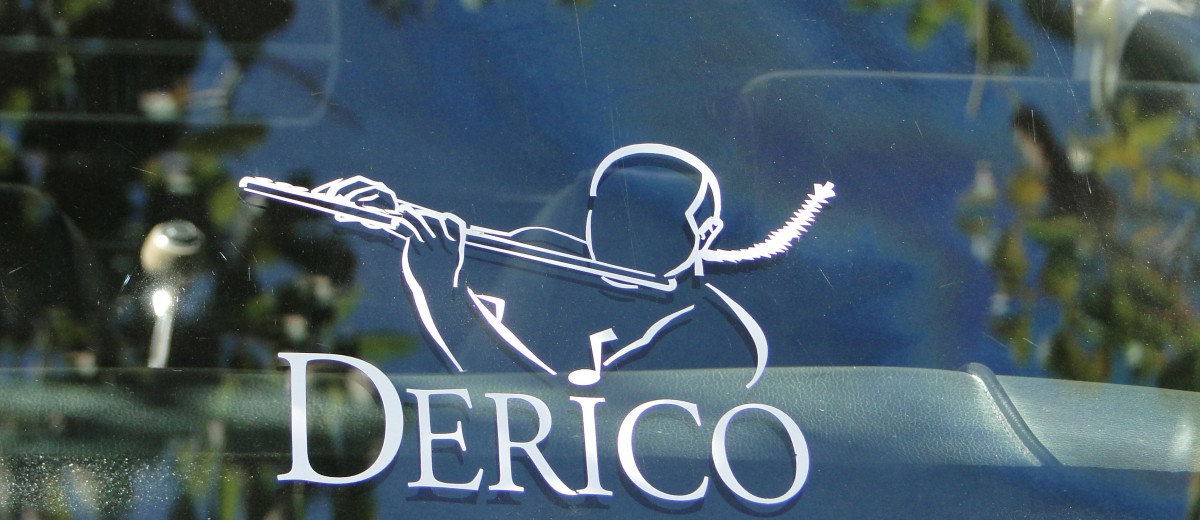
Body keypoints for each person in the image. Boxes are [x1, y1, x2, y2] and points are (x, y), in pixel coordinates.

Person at [306, 144, 834, 387]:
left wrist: (448, 296)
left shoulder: (708, 337)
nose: (618, 247)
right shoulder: (560, 259)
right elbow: (466, 258)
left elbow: (551, 424)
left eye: (653, 232)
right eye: (606, 221)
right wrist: (384, 223)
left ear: (706, 235)